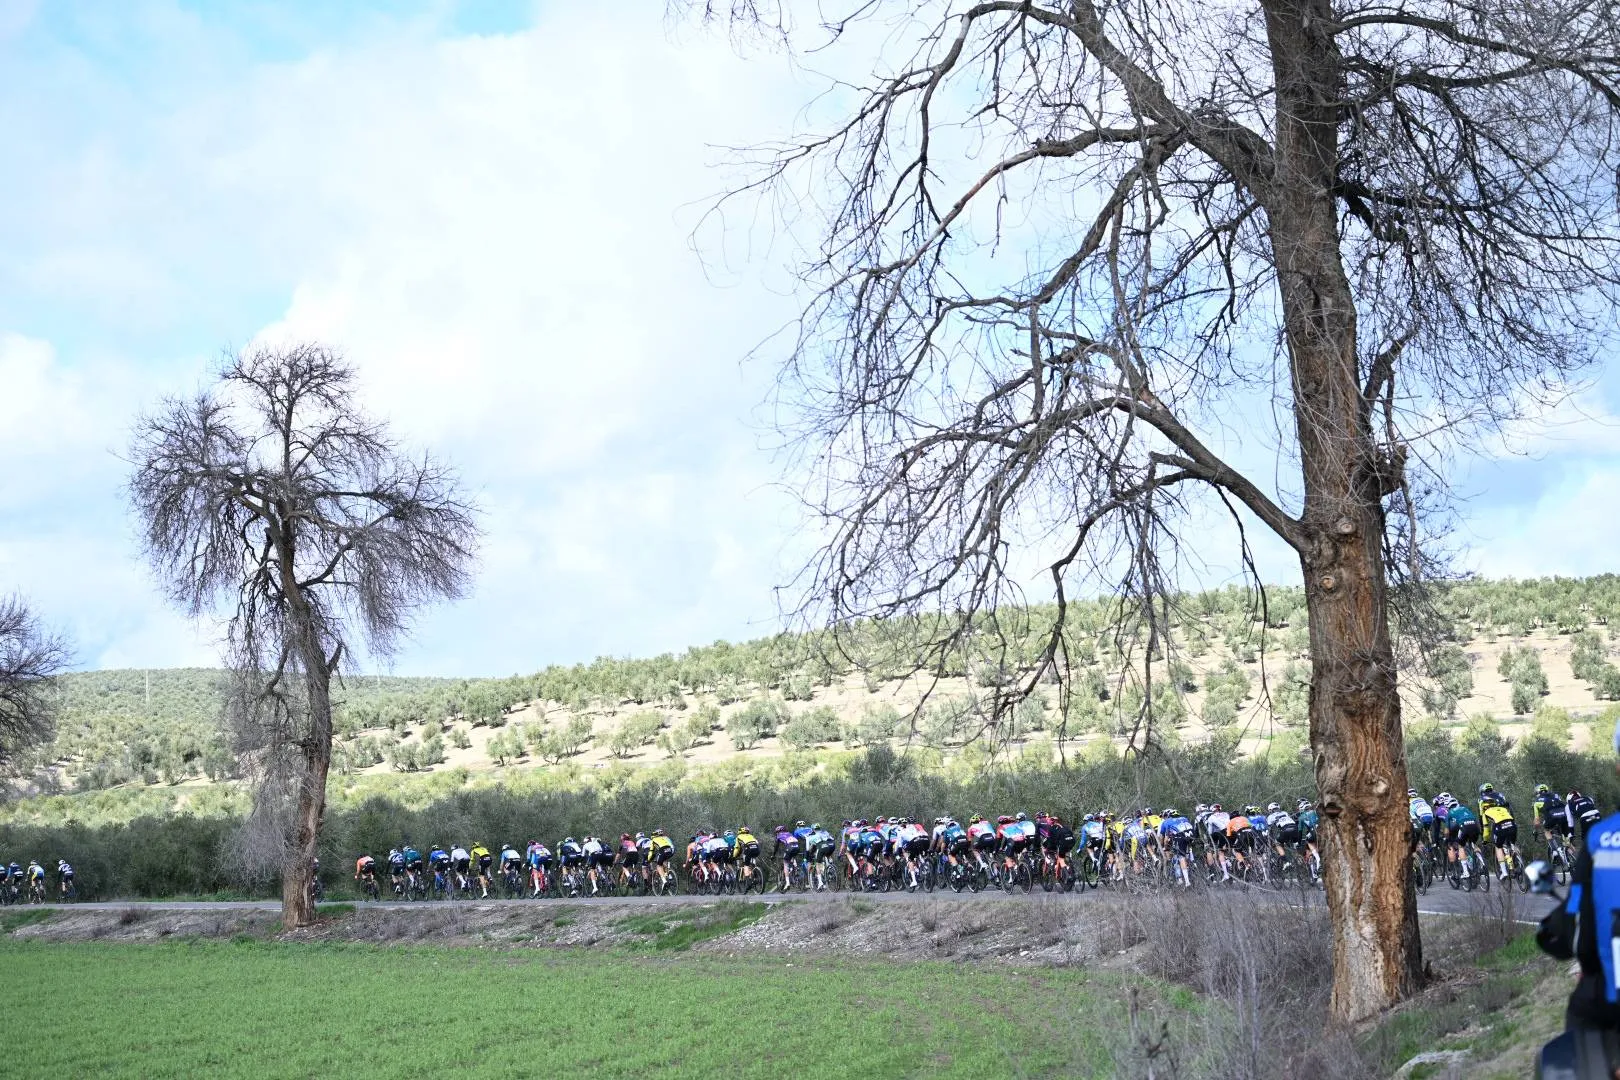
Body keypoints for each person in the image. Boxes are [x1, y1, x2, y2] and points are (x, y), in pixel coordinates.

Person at [1536, 716, 1620, 1075]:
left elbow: (1572, 912)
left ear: (1618, 767)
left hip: (1606, 996)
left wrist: (1557, 930)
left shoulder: (1601, 842)